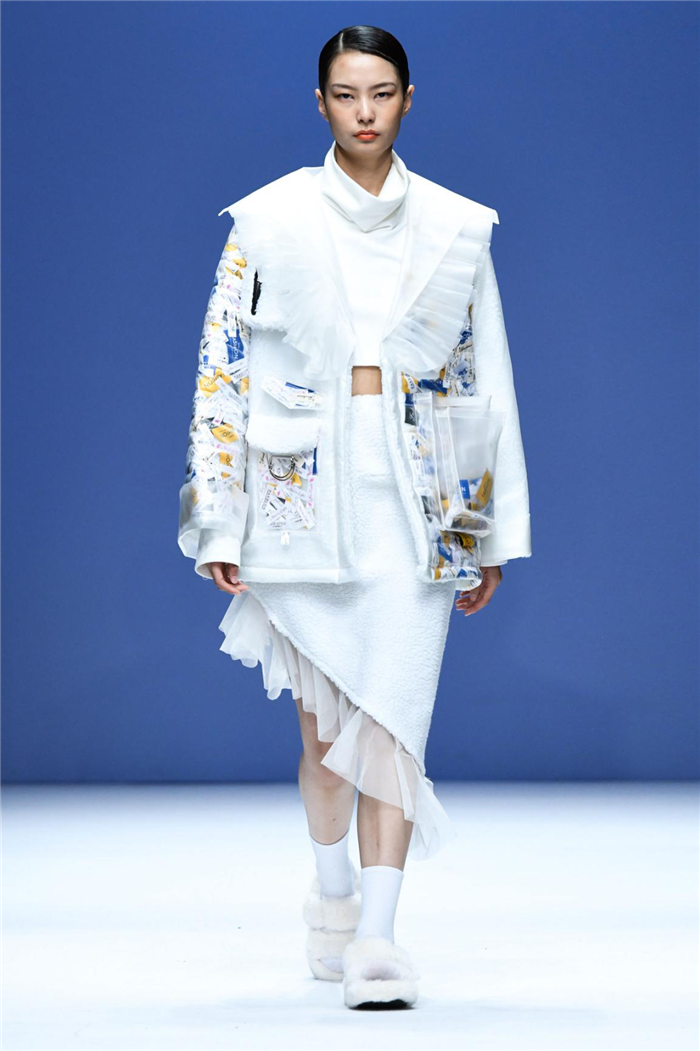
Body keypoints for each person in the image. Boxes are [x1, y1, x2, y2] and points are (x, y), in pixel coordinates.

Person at [178, 25, 531, 1009]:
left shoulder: (456, 227)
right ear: (321, 102)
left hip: (415, 498)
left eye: (381, 93)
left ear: (409, 98)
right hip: (296, 495)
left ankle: (377, 935)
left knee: (394, 726)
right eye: (346, 94)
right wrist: (218, 518)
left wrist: (482, 530)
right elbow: (221, 375)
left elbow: (483, 383)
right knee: (324, 736)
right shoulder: (268, 222)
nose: (364, 112)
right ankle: (331, 894)